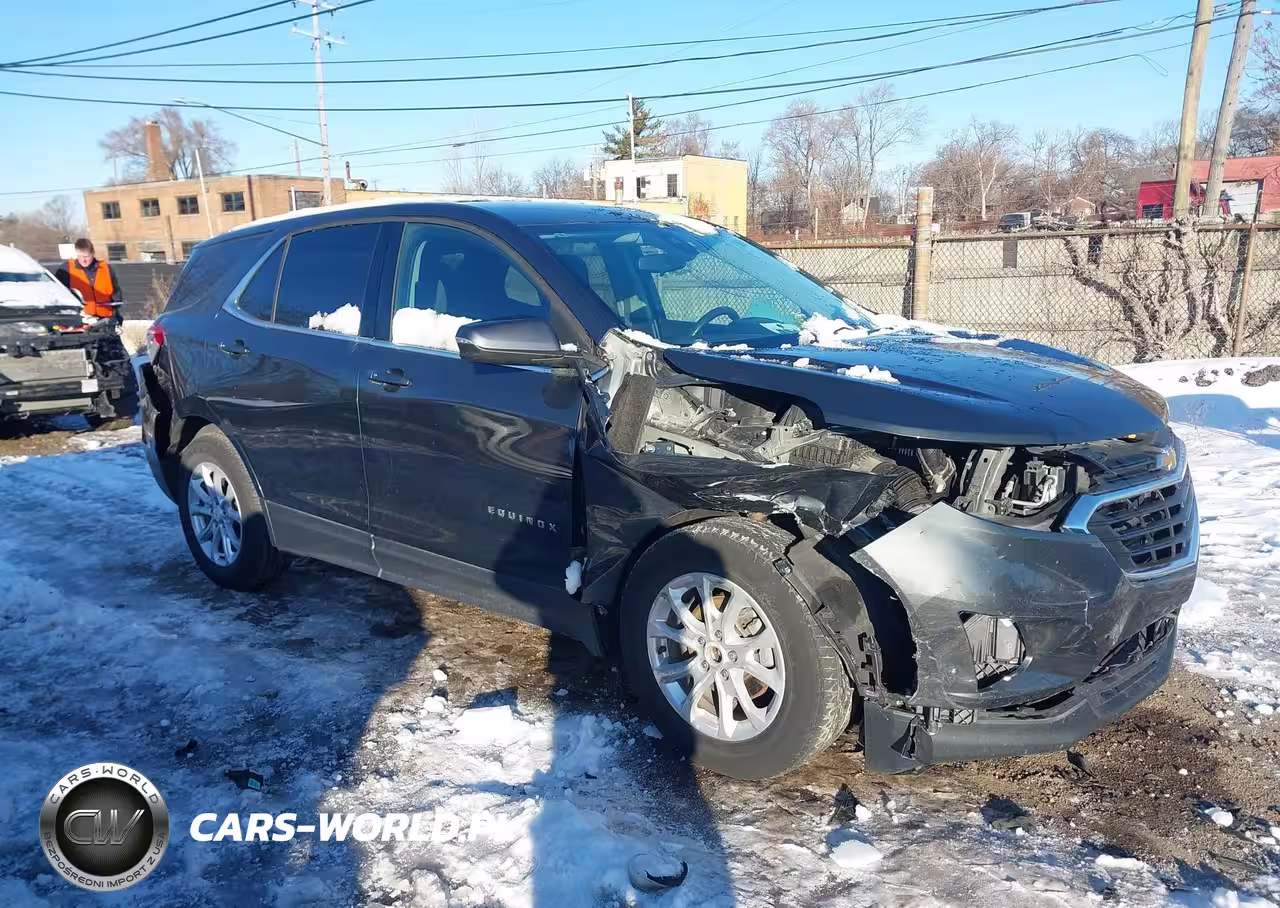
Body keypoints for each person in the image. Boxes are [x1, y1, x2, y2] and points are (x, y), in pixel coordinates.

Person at [56, 238, 122, 321]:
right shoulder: (66, 270)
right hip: (81, 319)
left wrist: (116, 311)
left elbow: (116, 292)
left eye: (86, 256)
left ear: (93, 253)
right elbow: (59, 294)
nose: (83, 260)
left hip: (105, 317)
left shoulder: (106, 269)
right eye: (80, 256)